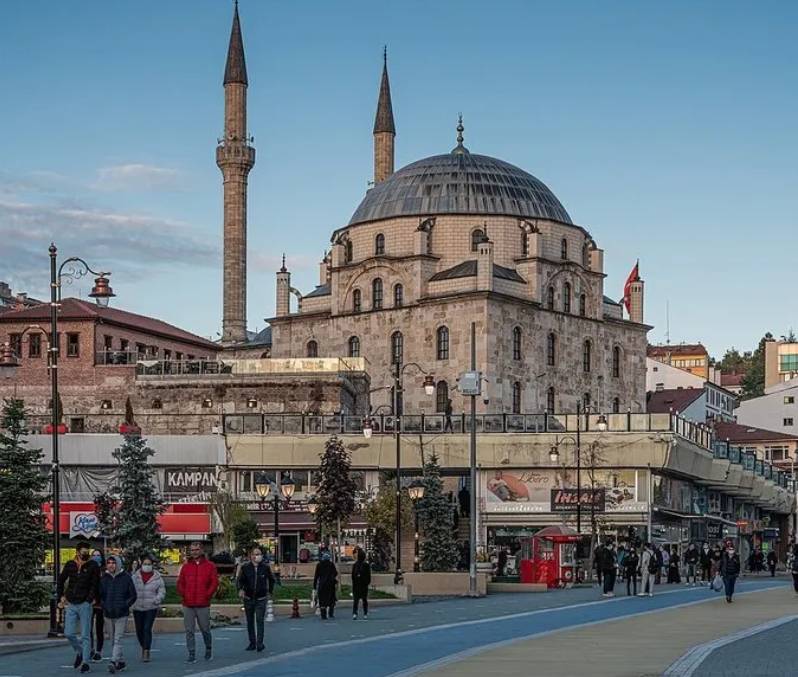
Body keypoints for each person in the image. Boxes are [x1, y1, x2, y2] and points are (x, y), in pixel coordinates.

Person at [58, 541, 101, 673]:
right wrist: (60, 596)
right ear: (77, 552)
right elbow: (61, 580)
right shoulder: (70, 564)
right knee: (69, 633)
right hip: (71, 603)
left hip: (84, 604)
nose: (85, 554)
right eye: (83, 552)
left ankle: (85, 663)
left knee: (85, 635)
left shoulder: (93, 565)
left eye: (87, 552)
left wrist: (89, 600)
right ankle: (80, 652)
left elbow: (95, 584)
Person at [177, 542, 219, 663]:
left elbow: (214, 582)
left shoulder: (210, 566)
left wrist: (207, 595)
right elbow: (180, 582)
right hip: (188, 603)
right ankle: (191, 653)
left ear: (201, 550)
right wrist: (183, 593)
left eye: (196, 550)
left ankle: (208, 649)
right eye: (192, 550)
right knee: (189, 630)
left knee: (205, 629)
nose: (194, 552)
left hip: (203, 603)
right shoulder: (186, 567)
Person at [99, 554, 137, 674]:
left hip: (121, 613)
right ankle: (120, 662)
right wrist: (104, 605)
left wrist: (125, 605)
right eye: (109, 563)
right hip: (108, 613)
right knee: (112, 640)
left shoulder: (126, 577)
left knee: (118, 639)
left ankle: (113, 661)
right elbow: (100, 595)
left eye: (113, 562)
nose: (111, 565)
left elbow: (133, 595)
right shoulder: (104, 578)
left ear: (118, 564)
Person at [236, 546, 275, 652]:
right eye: (255, 554)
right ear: (251, 556)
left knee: (259, 620)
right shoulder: (245, 567)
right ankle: (252, 642)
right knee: (250, 621)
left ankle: (260, 643)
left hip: (261, 598)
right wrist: (240, 589)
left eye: (259, 554)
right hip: (248, 598)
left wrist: (269, 592)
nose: (257, 556)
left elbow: (272, 580)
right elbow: (240, 581)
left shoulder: (265, 567)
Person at [131, 554, 166, 663]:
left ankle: (146, 651)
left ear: (152, 565)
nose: (147, 566)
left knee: (147, 628)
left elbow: (162, 590)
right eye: (145, 564)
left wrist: (157, 599)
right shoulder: (135, 576)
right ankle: (144, 645)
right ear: (141, 564)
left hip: (151, 607)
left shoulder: (157, 577)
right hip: (137, 607)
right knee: (139, 630)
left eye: (149, 564)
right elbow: (130, 590)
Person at [89, 549, 106, 662]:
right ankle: (90, 649)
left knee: (99, 628)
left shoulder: (105, 571)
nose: (96, 557)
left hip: (101, 603)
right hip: (89, 602)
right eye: (94, 555)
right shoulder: (88, 569)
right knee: (88, 628)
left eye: (98, 555)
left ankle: (99, 651)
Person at [313, 550, 338, 620]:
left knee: (322, 600)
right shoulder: (331, 564)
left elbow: (316, 576)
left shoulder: (319, 565)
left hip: (322, 585)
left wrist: (314, 585)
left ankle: (323, 614)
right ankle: (331, 613)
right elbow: (336, 573)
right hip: (330, 584)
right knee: (331, 599)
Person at [351, 546, 372, 620]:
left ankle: (355, 613)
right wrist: (367, 583)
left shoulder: (355, 565)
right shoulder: (366, 565)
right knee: (364, 600)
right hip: (363, 585)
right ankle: (365, 613)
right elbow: (368, 576)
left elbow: (352, 576)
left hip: (356, 585)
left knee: (356, 600)